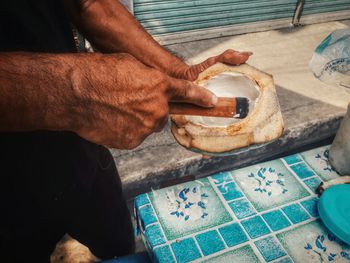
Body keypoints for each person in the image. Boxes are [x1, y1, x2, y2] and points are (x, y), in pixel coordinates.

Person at [0, 0, 251, 261]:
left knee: (119, 242)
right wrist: (71, 90)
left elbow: (89, 4)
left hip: (82, 153)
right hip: (7, 197)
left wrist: (181, 74)